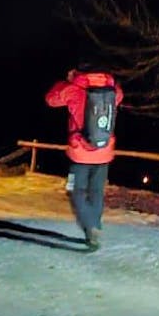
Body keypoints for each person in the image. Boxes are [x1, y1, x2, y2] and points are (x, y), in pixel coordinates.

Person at [45, 64, 123, 250]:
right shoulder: (112, 89)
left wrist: (68, 81)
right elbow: (119, 97)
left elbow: (50, 99)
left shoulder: (73, 89)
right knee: (96, 191)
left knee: (75, 190)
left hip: (80, 153)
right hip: (104, 152)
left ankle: (91, 226)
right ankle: (94, 229)